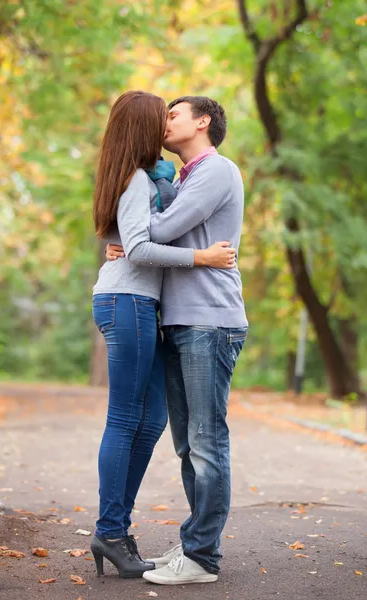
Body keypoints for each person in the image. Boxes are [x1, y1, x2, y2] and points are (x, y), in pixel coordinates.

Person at [90, 90, 237, 580]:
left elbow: (151, 232)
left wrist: (129, 240)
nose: (165, 124)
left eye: (173, 116)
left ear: (200, 123)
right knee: (135, 420)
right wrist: (133, 243)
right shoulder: (142, 178)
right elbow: (143, 240)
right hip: (134, 303)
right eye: (160, 117)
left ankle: (175, 546)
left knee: (163, 425)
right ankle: (113, 531)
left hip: (166, 310)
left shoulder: (191, 174)